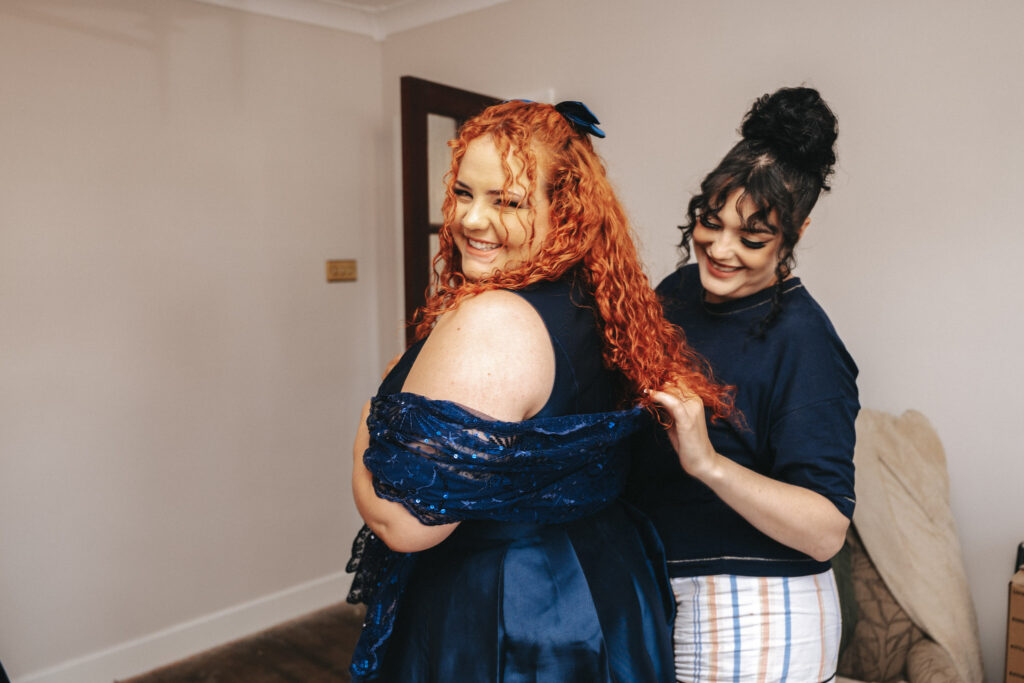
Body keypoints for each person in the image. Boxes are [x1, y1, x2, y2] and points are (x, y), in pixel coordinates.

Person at [346, 100, 732, 682]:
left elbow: (405, 523)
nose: (473, 220)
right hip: (604, 579)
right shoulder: (600, 300)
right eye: (464, 193)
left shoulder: (494, 319)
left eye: (508, 201)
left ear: (565, 210)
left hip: (513, 606)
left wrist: (368, 420)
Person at [627, 87, 859, 682]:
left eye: (752, 238)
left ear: (795, 232)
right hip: (660, 586)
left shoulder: (806, 343)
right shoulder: (676, 292)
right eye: (710, 221)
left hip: (759, 615)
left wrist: (708, 463)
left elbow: (827, 529)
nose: (721, 249)